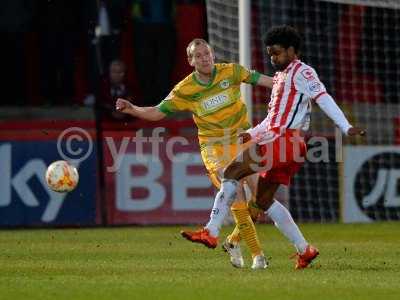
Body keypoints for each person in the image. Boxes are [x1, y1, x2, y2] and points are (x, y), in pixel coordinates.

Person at [181, 26, 366, 269]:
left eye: (277, 53)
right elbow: (272, 118)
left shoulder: (302, 71)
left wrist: (345, 126)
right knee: (264, 201)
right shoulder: (280, 78)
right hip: (289, 145)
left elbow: (323, 98)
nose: (273, 58)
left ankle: (211, 231)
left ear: (292, 50)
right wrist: (250, 133)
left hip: (282, 141)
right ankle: (305, 249)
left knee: (232, 173)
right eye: (270, 54)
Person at [116, 38, 273, 269]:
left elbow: (263, 80)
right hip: (214, 147)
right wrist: (133, 109)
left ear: (213, 54)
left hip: (241, 139)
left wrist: (286, 85)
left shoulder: (231, 71)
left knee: (262, 201)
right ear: (190, 61)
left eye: (206, 53)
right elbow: (158, 112)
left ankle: (232, 241)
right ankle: (258, 257)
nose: (204, 58)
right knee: (235, 191)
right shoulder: (185, 89)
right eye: (197, 56)